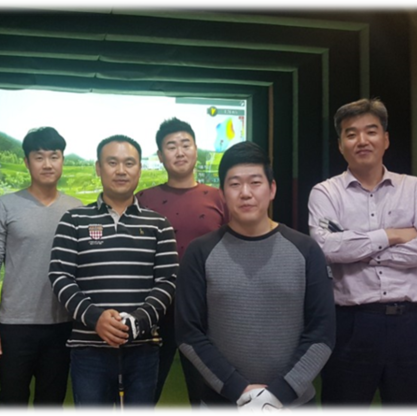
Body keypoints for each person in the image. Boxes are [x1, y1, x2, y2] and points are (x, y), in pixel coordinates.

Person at [175, 141, 336, 415]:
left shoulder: (306, 250)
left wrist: (278, 395)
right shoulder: (200, 252)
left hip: (291, 405)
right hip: (222, 404)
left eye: (255, 182)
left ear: (272, 189)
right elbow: (189, 333)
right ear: (222, 193)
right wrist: (242, 392)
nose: (246, 193)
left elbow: (322, 334)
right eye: (235, 184)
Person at [308, 98, 417, 414]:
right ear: (340, 145)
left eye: (371, 131)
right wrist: (392, 235)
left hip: (410, 324)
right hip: (351, 324)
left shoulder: (415, 188)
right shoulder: (325, 193)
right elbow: (326, 249)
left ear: (385, 139)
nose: (362, 140)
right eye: (351, 133)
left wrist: (359, 250)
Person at [49, 135, 179, 415]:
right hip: (88, 349)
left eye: (129, 163)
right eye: (112, 162)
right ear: (98, 168)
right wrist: (96, 318)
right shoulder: (73, 220)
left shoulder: (159, 225)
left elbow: (167, 281)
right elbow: (60, 276)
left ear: (139, 169)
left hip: (143, 349)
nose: (121, 170)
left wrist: (137, 321)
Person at [0, 127, 82, 414]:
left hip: (63, 324)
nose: (47, 164)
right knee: (11, 405)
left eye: (54, 156)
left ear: (63, 160)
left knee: (51, 406)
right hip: (15, 325)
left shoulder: (77, 210)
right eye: (39, 157)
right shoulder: (5, 206)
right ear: (26, 162)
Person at [136, 117, 227, 413]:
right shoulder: (143, 200)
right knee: (143, 393)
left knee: (205, 395)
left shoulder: (219, 198)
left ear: (196, 150)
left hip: (205, 312)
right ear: (160, 155)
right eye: (171, 146)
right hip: (154, 310)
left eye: (185, 144)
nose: (179, 152)